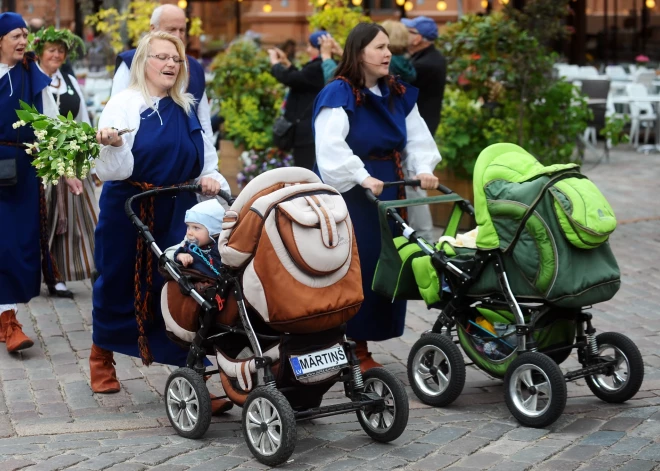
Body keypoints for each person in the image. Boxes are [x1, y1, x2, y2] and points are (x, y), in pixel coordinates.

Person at [90, 32, 231, 416]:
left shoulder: (186, 106)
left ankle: (194, 374)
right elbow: (109, 169)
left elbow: (206, 152)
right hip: (131, 206)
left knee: (182, 286)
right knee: (117, 280)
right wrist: (113, 145)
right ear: (143, 62)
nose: (170, 64)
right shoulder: (124, 104)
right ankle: (101, 354)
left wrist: (211, 176)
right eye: (161, 57)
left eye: (176, 59)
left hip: (179, 208)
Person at [313, 23, 441, 372]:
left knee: (390, 264)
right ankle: (355, 346)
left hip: (390, 186)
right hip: (352, 194)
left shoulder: (397, 92)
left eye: (388, 47)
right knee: (361, 265)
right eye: (379, 48)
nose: (388, 54)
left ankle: (364, 340)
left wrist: (424, 168)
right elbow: (330, 147)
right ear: (359, 53)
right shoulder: (338, 93)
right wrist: (360, 176)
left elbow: (416, 138)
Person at [0, 12, 73, 353]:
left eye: (25, 35)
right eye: (15, 35)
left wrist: (67, 169)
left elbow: (49, 125)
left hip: (20, 173)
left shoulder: (30, 75)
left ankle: (8, 317)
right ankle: (7, 320)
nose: (23, 41)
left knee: (16, 245)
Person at [34, 26, 99, 294]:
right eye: (51, 50)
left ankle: (71, 269)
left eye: (61, 50)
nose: (57, 55)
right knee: (45, 218)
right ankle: (40, 270)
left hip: (73, 157)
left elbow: (83, 119)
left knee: (77, 219)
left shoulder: (69, 81)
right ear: (39, 52)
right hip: (42, 160)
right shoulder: (32, 80)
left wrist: (88, 156)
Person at [110, 4, 213, 139]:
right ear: (153, 29)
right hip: (144, 152)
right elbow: (116, 113)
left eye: (182, 30)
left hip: (186, 154)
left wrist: (208, 157)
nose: (178, 35)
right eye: (171, 29)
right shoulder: (131, 61)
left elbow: (203, 120)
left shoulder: (195, 68)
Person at [401, 16, 446, 241]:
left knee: (415, 184)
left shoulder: (426, 63)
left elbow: (401, 80)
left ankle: (426, 240)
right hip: (418, 129)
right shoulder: (424, 58)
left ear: (418, 37)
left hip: (419, 134)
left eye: (408, 31)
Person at [269, 31, 327, 171]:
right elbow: (301, 79)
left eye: (310, 46)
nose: (307, 50)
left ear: (318, 48)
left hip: (306, 133)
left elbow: (293, 79)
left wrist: (275, 63)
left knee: (304, 171)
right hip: (307, 129)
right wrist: (287, 64)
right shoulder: (318, 65)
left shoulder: (317, 67)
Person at [171, 199, 224, 279]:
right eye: (188, 227)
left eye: (196, 228)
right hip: (197, 284)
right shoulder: (190, 247)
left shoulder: (221, 246)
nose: (189, 233)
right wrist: (180, 256)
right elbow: (178, 253)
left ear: (214, 231)